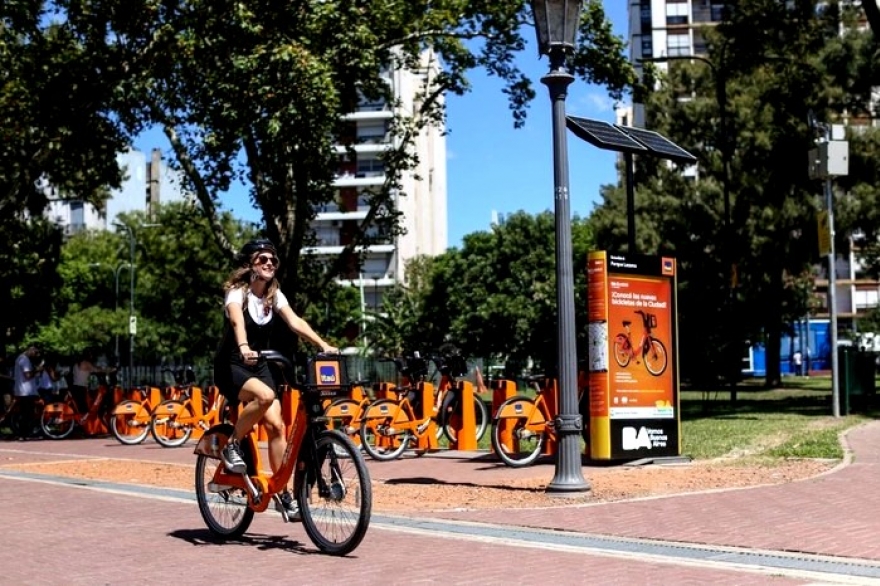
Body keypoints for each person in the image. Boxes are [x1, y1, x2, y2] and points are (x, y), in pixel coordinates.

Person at [214, 239, 338, 519]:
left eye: (273, 260)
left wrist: (323, 345)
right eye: (263, 259)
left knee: (277, 427)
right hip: (232, 363)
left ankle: (282, 491)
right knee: (265, 396)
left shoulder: (273, 294)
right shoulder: (237, 293)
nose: (269, 263)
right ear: (249, 264)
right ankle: (232, 444)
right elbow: (237, 321)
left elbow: (295, 322)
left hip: (260, 365)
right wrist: (244, 347)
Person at [12, 344, 43, 439]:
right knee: (27, 413)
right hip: (26, 391)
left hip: (23, 390)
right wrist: (37, 370)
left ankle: (23, 434)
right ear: (30, 349)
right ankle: (24, 434)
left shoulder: (20, 358)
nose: (35, 354)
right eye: (35, 352)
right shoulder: (24, 359)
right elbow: (28, 375)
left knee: (25, 413)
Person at [70, 349, 113, 416]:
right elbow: (97, 370)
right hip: (81, 388)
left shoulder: (76, 364)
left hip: (75, 387)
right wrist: (109, 370)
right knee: (84, 409)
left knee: (80, 407)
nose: (92, 357)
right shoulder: (86, 363)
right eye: (91, 355)